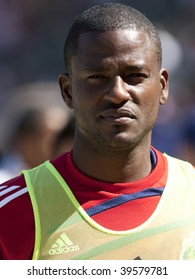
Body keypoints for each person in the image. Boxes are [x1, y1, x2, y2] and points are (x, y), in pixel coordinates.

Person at [0, 2, 195, 260]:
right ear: (68, 91)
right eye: (97, 77)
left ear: (162, 87)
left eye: (135, 75)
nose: (118, 93)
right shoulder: (11, 212)